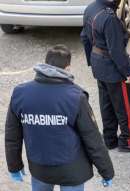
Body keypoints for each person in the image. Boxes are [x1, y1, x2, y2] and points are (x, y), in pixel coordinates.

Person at [5, 45, 115, 191]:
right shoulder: (76, 97)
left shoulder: (20, 94)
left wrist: (14, 166)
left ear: (45, 64)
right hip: (72, 171)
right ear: (67, 68)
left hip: (40, 169)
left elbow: (12, 135)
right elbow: (92, 138)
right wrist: (106, 171)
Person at [81, 0, 130, 153]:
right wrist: (128, 71)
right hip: (113, 69)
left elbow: (84, 36)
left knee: (106, 104)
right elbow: (116, 50)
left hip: (98, 63)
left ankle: (110, 139)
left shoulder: (91, 8)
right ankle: (127, 140)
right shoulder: (109, 18)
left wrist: (91, 60)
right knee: (125, 107)